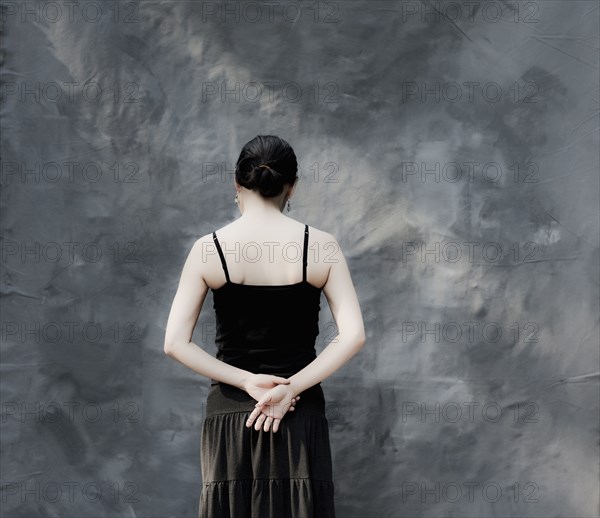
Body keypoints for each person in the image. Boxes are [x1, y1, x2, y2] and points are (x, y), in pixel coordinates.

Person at [163, 135, 366, 517]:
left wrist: (245, 381)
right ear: (292, 186)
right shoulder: (321, 247)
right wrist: (290, 389)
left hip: (230, 416)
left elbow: (175, 343)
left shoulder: (209, 249)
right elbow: (353, 336)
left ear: (237, 183)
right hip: (299, 414)